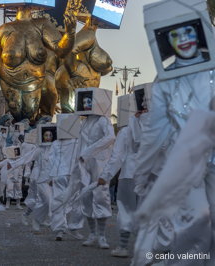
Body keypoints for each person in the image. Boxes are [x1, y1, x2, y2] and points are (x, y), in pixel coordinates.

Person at [131, 9, 215, 264]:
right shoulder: (164, 80)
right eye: (176, 35)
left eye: (189, 31)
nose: (184, 39)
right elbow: (154, 133)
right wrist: (143, 172)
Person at [98, 113, 145, 257]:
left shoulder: (125, 131)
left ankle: (123, 247)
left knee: (126, 211)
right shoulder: (158, 128)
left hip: (129, 175)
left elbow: (117, 157)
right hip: (150, 176)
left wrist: (105, 176)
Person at [78, 112, 115, 249]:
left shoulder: (103, 120)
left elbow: (110, 137)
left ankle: (102, 235)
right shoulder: (85, 122)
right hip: (84, 163)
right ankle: (92, 233)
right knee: (86, 197)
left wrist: (89, 151)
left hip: (100, 162)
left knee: (100, 196)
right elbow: (80, 142)